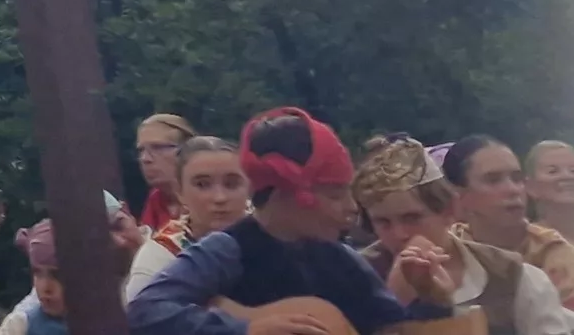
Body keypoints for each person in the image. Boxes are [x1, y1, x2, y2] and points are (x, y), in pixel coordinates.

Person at [126, 108, 455, 335]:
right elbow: (148, 308)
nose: (351, 208)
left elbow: (393, 330)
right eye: (335, 193)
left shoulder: (341, 259)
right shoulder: (228, 249)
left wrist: (432, 299)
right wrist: (246, 329)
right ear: (290, 192)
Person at [354, 132, 572, 335]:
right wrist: (394, 302)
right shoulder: (355, 275)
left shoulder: (515, 278)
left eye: (412, 218)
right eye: (383, 223)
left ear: (449, 210)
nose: (399, 233)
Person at [451, 135, 574, 310]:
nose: (512, 190)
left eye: (516, 179)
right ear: (460, 196)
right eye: (493, 180)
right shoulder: (445, 252)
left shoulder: (553, 251)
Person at [123, 136, 251, 299]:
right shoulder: (160, 257)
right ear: (180, 191)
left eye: (231, 184)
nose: (220, 197)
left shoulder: (273, 238)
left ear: (249, 187)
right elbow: (142, 318)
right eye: (202, 185)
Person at [0, 210, 144, 335]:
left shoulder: (117, 321)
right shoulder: (20, 326)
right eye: (38, 273)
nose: (45, 287)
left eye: (57, 275)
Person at [137, 115, 197, 233]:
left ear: (186, 151)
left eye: (157, 147)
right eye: (141, 150)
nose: (145, 159)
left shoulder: (207, 195)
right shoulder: (156, 198)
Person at [530, 143, 574, 233]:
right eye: (553, 171)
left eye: (573, 170)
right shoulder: (525, 242)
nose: (567, 176)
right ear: (531, 186)